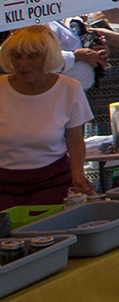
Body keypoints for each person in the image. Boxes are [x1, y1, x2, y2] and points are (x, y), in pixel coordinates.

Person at [0, 27, 92, 207]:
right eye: (17, 56)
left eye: (32, 57)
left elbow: (75, 140)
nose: (23, 64)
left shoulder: (70, 88)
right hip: (4, 187)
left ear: (48, 58)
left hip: (54, 183)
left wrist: (78, 174)